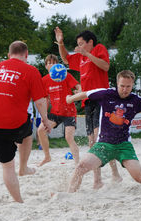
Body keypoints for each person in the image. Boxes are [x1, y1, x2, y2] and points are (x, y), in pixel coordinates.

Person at [66, 70, 141, 192]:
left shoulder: (135, 100)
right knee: (81, 167)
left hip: (124, 146)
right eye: (122, 86)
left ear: (132, 85)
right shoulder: (106, 94)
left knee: (140, 178)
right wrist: (70, 99)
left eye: (128, 86)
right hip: (103, 144)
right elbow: (85, 94)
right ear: (117, 84)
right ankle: (70, 194)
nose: (125, 89)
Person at [0, 40, 52, 203]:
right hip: (14, 122)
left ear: (8, 55)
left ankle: (18, 201)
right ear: (26, 55)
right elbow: (40, 101)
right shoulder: (31, 70)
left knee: (7, 167)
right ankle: (24, 167)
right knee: (28, 131)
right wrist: (46, 120)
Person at [54, 27, 122, 181]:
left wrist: (87, 54)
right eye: (77, 44)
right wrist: (60, 43)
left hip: (102, 98)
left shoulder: (98, 49)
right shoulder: (80, 57)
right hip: (88, 101)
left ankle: (115, 173)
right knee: (92, 142)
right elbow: (65, 59)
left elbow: (105, 66)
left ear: (90, 42)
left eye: (81, 43)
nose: (79, 47)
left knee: (100, 137)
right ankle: (97, 179)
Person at [38, 54, 81, 166]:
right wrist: (44, 116)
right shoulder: (44, 80)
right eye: (49, 63)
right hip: (55, 113)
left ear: (58, 65)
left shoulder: (65, 75)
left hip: (69, 112)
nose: (52, 65)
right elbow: (45, 99)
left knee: (69, 137)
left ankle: (77, 164)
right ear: (46, 66)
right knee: (40, 130)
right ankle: (47, 157)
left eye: (54, 63)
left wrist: (79, 92)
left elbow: (78, 86)